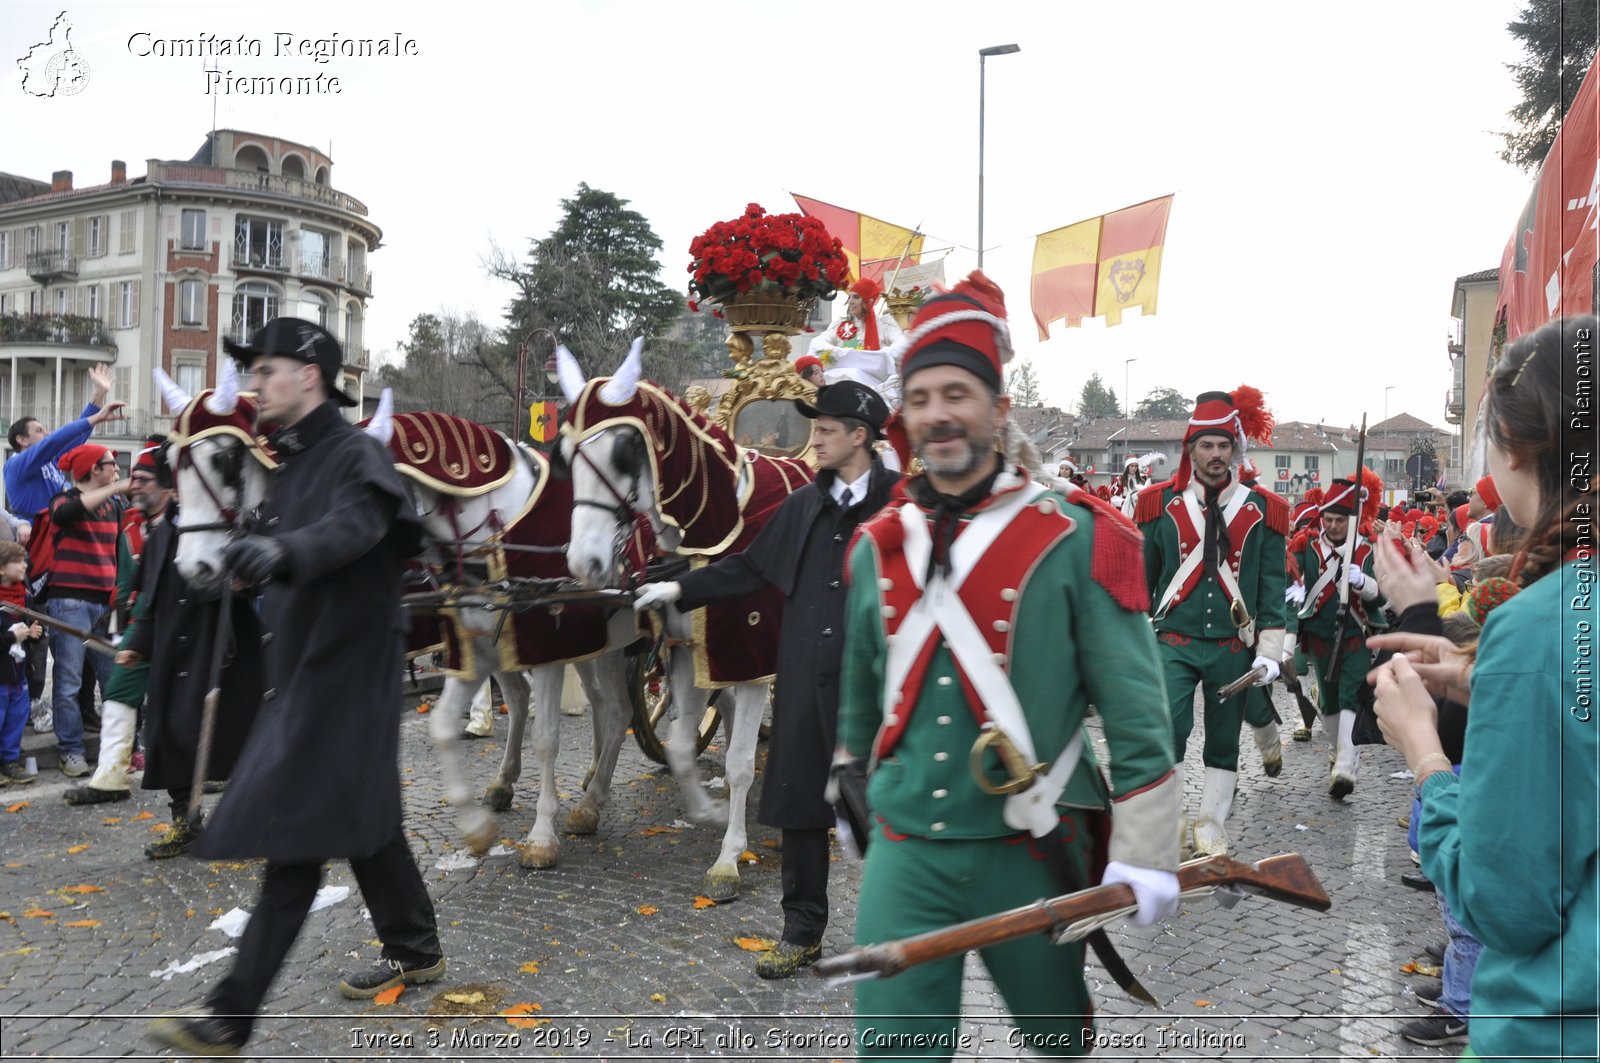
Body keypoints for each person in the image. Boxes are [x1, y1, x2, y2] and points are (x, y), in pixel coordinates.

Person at [835, 273, 1179, 1058]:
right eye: (919, 398)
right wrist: (849, 772)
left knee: (1058, 1042)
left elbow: (1135, 706)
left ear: (999, 407)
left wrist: (1148, 849)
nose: (938, 413)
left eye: (957, 392)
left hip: (1033, 845)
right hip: (906, 847)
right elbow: (858, 683)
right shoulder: (876, 546)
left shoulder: (1077, 538)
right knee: (891, 1052)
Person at [148, 319, 444, 1057]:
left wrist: (282, 549)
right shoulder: (286, 465)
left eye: (266, 370)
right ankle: (416, 945)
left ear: (308, 375)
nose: (254, 384)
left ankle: (230, 1015)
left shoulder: (356, 455)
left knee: (296, 849)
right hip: (306, 677)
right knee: (365, 822)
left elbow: (353, 528)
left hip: (345, 682)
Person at [1371, 313, 1597, 1061]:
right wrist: (1479, 675)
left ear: (1518, 447)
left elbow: (1503, 903)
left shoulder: (1544, 627)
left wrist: (1424, 749)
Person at [634, 379, 898, 979]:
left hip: (877, 689)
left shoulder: (901, 502)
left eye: (827, 430)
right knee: (802, 809)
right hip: (806, 680)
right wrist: (680, 586)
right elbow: (751, 566)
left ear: (860, 436)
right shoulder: (805, 503)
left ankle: (896, 934)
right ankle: (801, 932)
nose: (817, 440)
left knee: (886, 810)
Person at [1133, 388, 1289, 856]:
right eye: (1207, 445)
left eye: (1224, 445)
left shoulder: (1264, 510)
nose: (1216, 455)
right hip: (1172, 641)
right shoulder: (1157, 504)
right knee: (1171, 728)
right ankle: (1174, 819)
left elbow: (1271, 587)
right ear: (1191, 449)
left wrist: (1270, 651)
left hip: (1232, 644)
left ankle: (1211, 822)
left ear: (1235, 449)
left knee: (1223, 739)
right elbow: (1142, 582)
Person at [109, 439, 263, 858]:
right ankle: (186, 824)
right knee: (170, 736)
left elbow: (249, 580)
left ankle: (258, 822)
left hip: (218, 648)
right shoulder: (160, 535)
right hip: (171, 651)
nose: (135, 489)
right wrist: (138, 645)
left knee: (236, 738)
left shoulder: (220, 522)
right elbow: (152, 597)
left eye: (144, 481)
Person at [64, 438, 166, 806]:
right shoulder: (131, 524)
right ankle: (110, 777)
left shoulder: (185, 522)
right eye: (132, 478)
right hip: (140, 623)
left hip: (180, 623)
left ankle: (209, 774)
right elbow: (124, 584)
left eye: (143, 478)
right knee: (120, 690)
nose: (133, 485)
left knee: (182, 699)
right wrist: (122, 627)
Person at [1286, 468, 1385, 799]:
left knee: (1349, 695)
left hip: (1354, 633)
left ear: (1352, 520)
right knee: (1328, 701)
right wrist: (1295, 591)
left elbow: (1381, 597)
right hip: (1317, 635)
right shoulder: (1307, 547)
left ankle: (1345, 766)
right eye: (1328, 519)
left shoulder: (1366, 552)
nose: (1332, 525)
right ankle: (1339, 749)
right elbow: (1291, 577)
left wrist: (1363, 583)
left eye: (1340, 520)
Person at [43, 444, 128, 777]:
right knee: (68, 681)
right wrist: (115, 489)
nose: (117, 470)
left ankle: (119, 748)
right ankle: (71, 751)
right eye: (112, 465)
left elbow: (118, 552)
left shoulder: (116, 505)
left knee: (114, 680)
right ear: (95, 469)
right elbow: (64, 514)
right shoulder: (62, 500)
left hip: (105, 604)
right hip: (70, 602)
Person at [808, 276, 903, 400]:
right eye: (850, 297)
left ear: (868, 301)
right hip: (840, 382)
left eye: (856, 297)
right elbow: (817, 342)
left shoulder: (885, 325)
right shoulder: (840, 324)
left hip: (874, 383)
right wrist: (836, 352)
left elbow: (903, 344)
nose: (850, 301)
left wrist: (881, 355)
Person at [0, 541, 42, 785]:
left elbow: (33, 629)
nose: (25, 565)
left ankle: (10, 761)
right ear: (2, 569)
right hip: (1, 674)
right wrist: (11, 637)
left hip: (18, 672)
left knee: (16, 716)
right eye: (19, 561)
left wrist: (35, 634)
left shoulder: (24, 596)